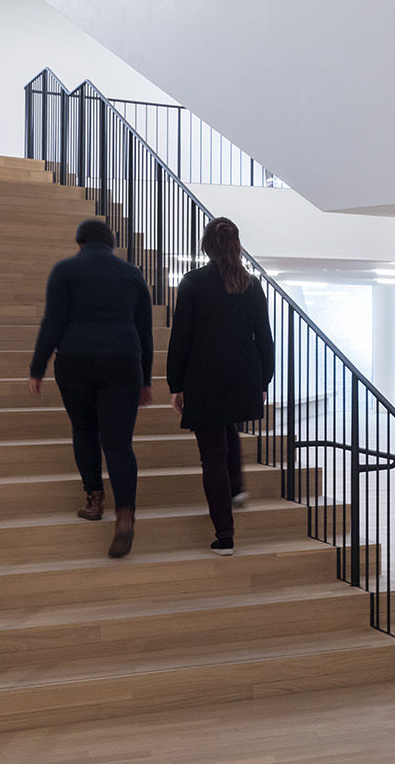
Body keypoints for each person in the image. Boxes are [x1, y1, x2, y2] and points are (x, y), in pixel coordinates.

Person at [28, 217, 154, 559]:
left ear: (79, 243)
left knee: (84, 429)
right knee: (118, 442)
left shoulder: (65, 270)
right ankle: (125, 516)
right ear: (112, 245)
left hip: (76, 360)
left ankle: (94, 500)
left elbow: (53, 321)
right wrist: (146, 379)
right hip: (124, 360)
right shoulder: (132, 274)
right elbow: (145, 332)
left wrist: (37, 368)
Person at [167, 218, 274, 557]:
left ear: (206, 246)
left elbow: (181, 338)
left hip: (205, 377)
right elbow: (264, 339)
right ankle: (236, 488)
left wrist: (176, 383)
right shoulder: (252, 285)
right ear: (236, 245)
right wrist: (264, 380)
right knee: (228, 427)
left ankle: (225, 535)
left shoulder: (193, 283)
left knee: (211, 455)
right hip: (244, 376)